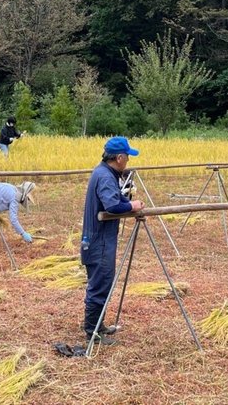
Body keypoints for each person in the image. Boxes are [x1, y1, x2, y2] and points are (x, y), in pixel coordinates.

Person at [81, 136, 145, 346]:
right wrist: (132, 206)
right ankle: (92, 331)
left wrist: (126, 201)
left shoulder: (104, 172)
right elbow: (111, 205)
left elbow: (115, 199)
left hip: (98, 239)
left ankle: (98, 325)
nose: (127, 160)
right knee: (100, 285)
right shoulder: (106, 176)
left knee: (102, 283)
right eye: (127, 156)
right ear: (119, 157)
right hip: (99, 241)